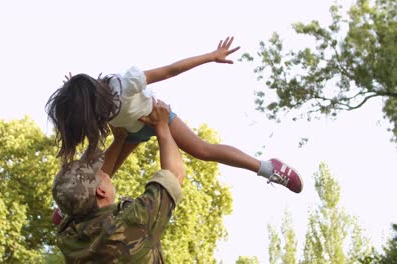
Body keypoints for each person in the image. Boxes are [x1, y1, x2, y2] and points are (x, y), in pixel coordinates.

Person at [46, 36, 303, 194]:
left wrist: (211, 56)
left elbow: (170, 70)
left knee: (203, 151)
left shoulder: (125, 84)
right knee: (103, 175)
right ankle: (71, 201)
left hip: (158, 117)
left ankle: (269, 168)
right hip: (129, 131)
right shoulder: (92, 108)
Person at [52, 100, 185, 263]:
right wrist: (162, 126)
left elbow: (87, 193)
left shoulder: (69, 237)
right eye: (98, 172)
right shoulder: (132, 223)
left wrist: (120, 140)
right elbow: (175, 175)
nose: (104, 171)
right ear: (100, 191)